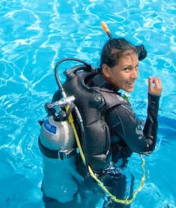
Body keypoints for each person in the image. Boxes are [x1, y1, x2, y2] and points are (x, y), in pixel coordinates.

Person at [39, 30, 162, 207]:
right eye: (127, 69)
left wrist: (131, 58)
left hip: (77, 163)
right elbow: (146, 148)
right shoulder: (117, 108)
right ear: (106, 69)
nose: (135, 75)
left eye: (136, 67)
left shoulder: (82, 80)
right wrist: (154, 100)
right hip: (105, 176)